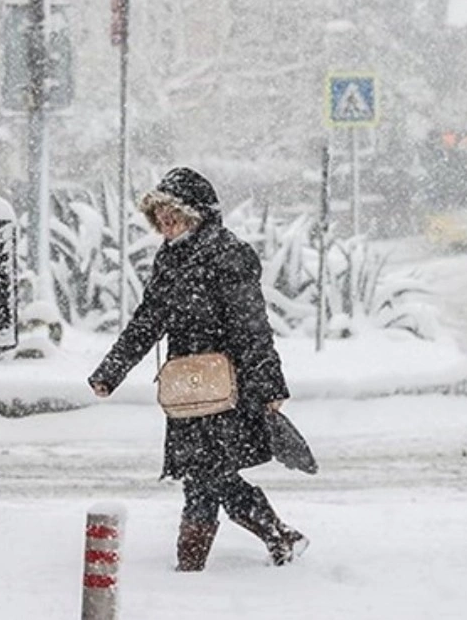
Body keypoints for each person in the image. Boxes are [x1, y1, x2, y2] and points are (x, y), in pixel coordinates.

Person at [87, 167, 307, 571]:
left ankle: (193, 567)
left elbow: (251, 326)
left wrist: (269, 385)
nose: (166, 222)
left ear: (197, 214)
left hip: (227, 386)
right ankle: (276, 537)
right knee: (205, 474)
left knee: (207, 475)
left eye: (174, 213)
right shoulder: (170, 259)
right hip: (188, 388)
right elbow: (148, 321)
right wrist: (110, 372)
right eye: (160, 215)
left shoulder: (228, 254)